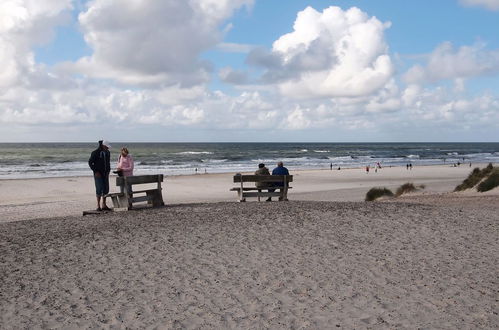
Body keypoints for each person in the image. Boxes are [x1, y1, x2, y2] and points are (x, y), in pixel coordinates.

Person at [88, 140, 111, 211]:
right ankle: (98, 205)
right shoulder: (95, 153)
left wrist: (108, 171)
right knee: (99, 188)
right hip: (98, 174)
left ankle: (104, 204)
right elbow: (90, 162)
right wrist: (95, 171)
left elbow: (108, 163)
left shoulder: (108, 153)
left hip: (105, 173)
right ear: (103, 146)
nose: (108, 148)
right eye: (107, 147)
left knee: (106, 189)